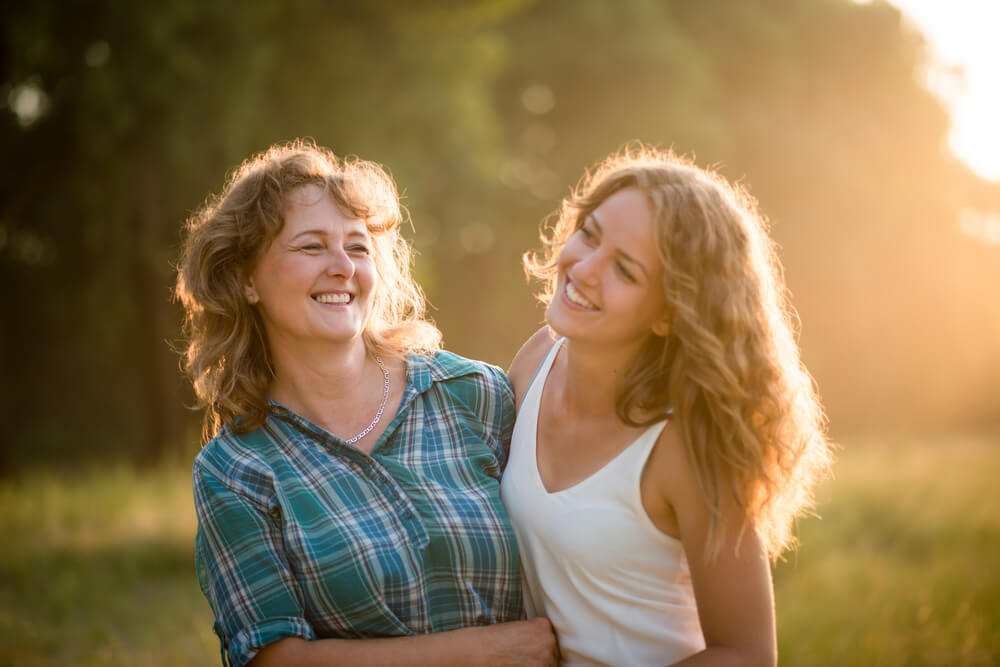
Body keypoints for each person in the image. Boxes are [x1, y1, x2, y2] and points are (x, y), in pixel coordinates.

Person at [176, 140, 558, 667]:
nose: (342, 267)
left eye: (357, 247)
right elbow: (273, 659)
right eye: (311, 247)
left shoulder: (473, 394)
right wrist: (479, 652)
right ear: (246, 281)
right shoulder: (236, 469)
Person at [501, 146, 832, 666]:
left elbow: (747, 654)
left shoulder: (687, 446)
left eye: (625, 271)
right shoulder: (538, 357)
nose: (584, 268)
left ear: (669, 313)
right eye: (589, 233)